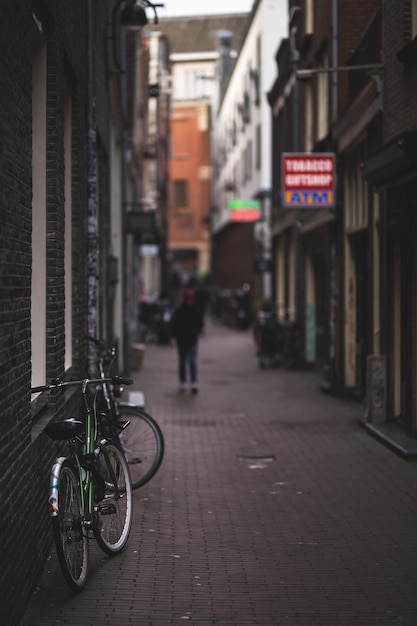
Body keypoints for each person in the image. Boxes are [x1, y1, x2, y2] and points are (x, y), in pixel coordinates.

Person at [171, 289, 204, 393]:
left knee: (192, 361)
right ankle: (183, 382)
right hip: (183, 340)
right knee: (183, 361)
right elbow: (175, 324)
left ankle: (193, 382)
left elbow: (200, 323)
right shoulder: (181, 310)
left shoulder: (194, 310)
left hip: (190, 339)